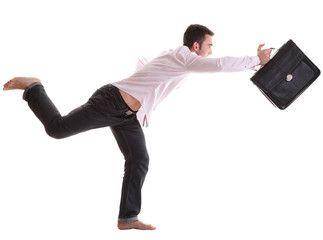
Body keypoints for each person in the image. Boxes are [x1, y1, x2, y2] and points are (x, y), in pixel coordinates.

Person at [3, 24, 272, 230]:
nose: (211, 50)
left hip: (126, 114)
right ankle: (34, 86)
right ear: (195, 46)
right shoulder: (183, 56)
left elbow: (145, 65)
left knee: (139, 158)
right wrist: (256, 60)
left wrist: (139, 86)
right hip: (110, 102)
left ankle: (127, 217)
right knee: (57, 129)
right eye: (209, 45)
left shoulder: (176, 59)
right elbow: (220, 65)